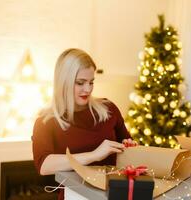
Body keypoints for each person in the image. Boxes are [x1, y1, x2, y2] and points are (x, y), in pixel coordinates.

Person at [32, 48, 136, 200]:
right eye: (80, 83)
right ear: (63, 82)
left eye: (91, 82)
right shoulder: (46, 121)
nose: (87, 89)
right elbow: (44, 165)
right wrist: (94, 155)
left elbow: (126, 145)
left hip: (114, 195)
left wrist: (128, 146)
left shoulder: (109, 109)